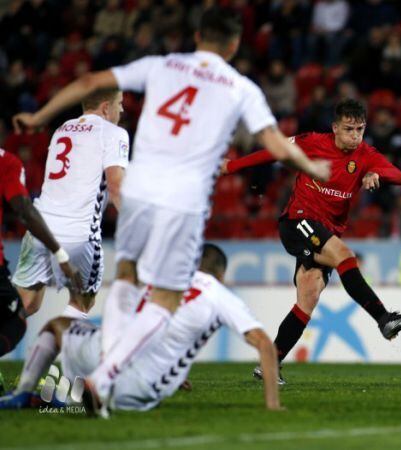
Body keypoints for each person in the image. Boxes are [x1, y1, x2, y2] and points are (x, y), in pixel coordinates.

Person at [12, 7, 329, 415]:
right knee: (166, 296)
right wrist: (309, 165)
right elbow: (272, 139)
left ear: (197, 36)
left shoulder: (162, 65)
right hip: (183, 199)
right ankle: (102, 378)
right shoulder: (238, 85)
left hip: (140, 189)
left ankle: (97, 365)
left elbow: (91, 81)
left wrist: (37, 116)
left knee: (125, 280)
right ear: (233, 44)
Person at [223, 99, 401, 383]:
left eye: (360, 129)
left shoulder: (365, 154)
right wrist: (233, 167)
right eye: (349, 129)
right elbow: (275, 150)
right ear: (335, 128)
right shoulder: (313, 142)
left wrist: (377, 174)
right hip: (297, 221)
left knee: (309, 296)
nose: (355, 136)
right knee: (344, 255)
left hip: (325, 231)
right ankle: (383, 318)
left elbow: (399, 176)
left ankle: (270, 363)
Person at [0, 244, 282, 414]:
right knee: (125, 388)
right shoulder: (219, 294)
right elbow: (265, 344)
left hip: (107, 353)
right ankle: (84, 395)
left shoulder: (161, 277)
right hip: (141, 388)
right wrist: (272, 405)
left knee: (58, 326)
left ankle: (27, 392)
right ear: (221, 274)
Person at [12, 89, 128, 320]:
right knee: (81, 303)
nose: (122, 109)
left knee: (26, 305)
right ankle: (54, 355)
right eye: (119, 103)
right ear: (106, 107)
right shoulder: (114, 133)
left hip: (40, 228)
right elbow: (115, 185)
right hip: (78, 232)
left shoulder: (62, 129)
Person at [0, 148, 82, 360]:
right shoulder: (7, 162)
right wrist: (59, 252)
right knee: (15, 319)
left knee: (27, 306)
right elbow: (23, 208)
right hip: (62, 225)